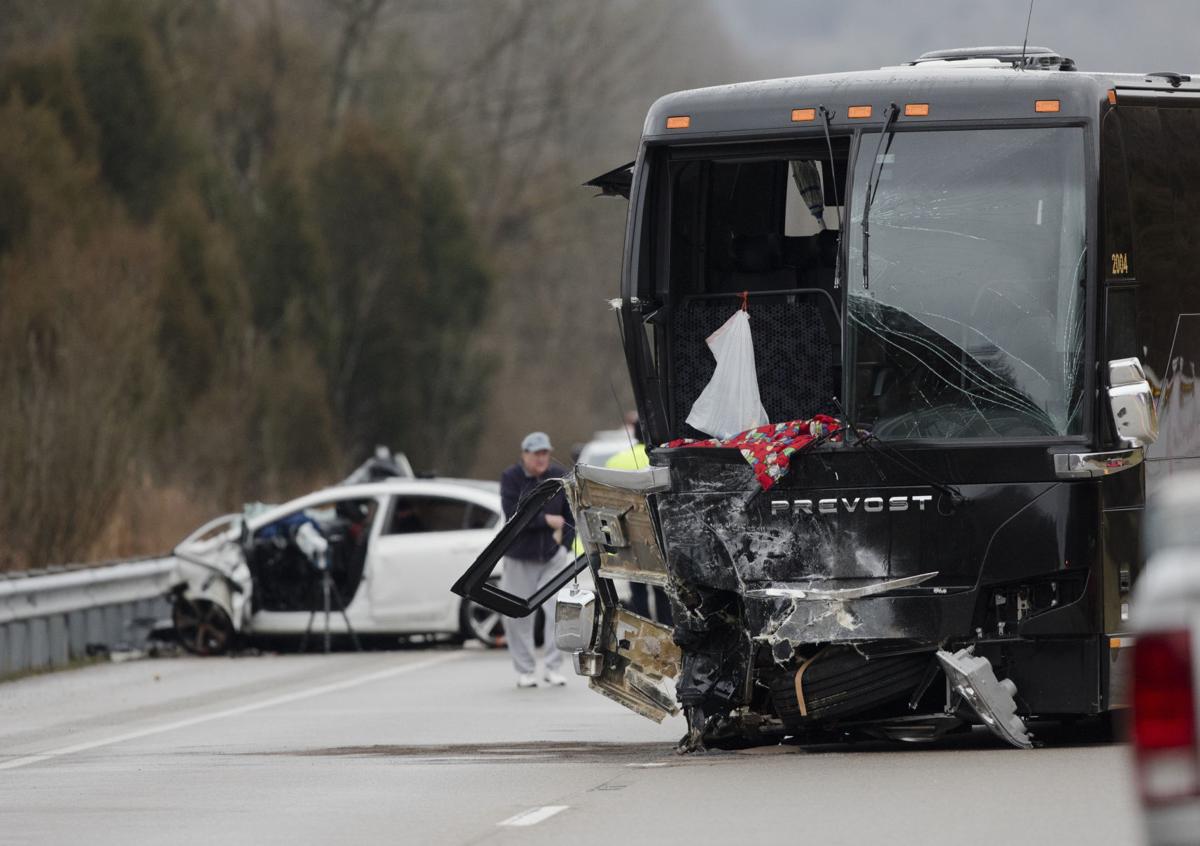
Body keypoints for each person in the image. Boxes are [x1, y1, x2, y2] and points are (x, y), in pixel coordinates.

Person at [499, 431, 576, 688]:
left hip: (551, 557)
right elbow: (512, 515)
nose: (542, 458)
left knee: (557, 612)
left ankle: (553, 668)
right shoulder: (511, 478)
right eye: (536, 454)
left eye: (545, 453)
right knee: (518, 614)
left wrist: (564, 545)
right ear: (525, 455)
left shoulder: (557, 476)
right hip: (519, 556)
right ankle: (525, 670)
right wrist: (546, 521)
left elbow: (570, 515)